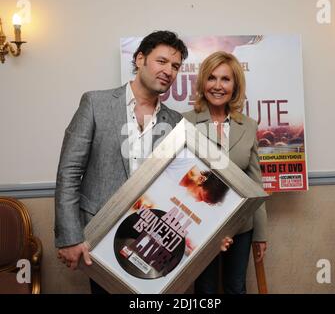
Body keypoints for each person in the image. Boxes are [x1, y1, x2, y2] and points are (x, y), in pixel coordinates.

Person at [54, 30, 188, 293]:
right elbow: (69, 173)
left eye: (175, 66)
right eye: (161, 61)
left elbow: (179, 186)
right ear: (140, 59)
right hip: (99, 235)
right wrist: (70, 237)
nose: (169, 71)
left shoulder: (175, 122)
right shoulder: (95, 103)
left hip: (153, 239)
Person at [183, 51, 267, 294]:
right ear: (202, 83)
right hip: (201, 226)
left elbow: (255, 184)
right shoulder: (185, 122)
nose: (217, 86)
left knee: (236, 287)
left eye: (225, 79)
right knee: (205, 289)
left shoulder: (249, 125)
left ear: (235, 85)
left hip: (241, 226)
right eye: (211, 78)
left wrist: (260, 233)